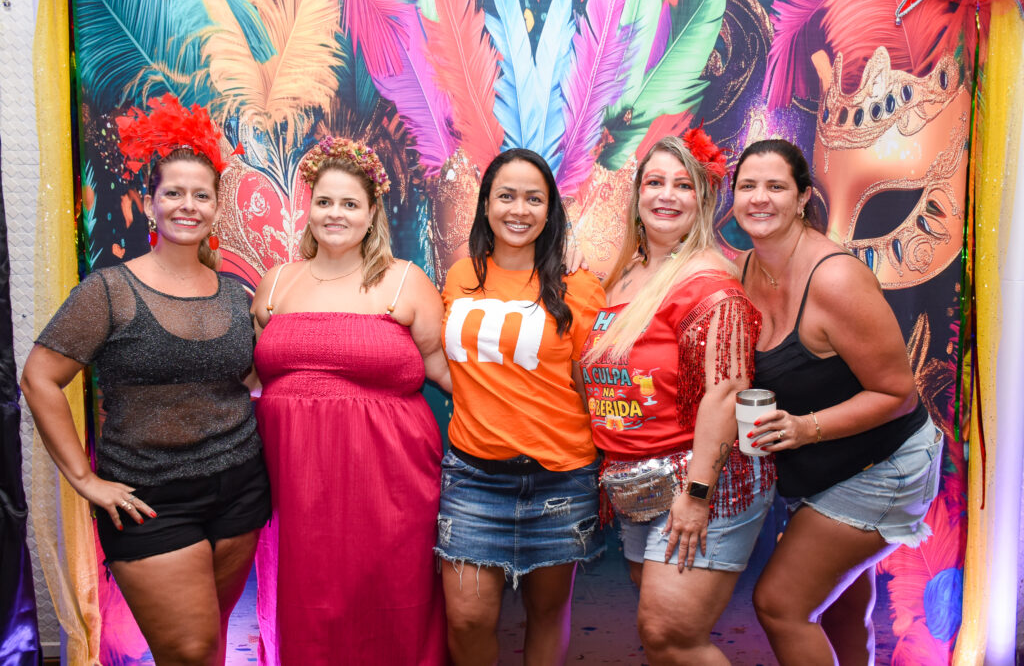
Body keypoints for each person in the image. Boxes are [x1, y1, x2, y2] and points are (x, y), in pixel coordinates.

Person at [20, 94, 269, 664]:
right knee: (189, 649)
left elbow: (253, 381)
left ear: (216, 207)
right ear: (151, 202)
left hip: (240, 490)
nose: (188, 206)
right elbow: (38, 379)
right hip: (149, 502)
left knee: (211, 642)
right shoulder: (109, 291)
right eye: (173, 193)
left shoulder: (236, 295)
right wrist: (85, 480)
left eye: (201, 195)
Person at [732, 139, 942, 665]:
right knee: (839, 607)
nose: (760, 198)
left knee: (781, 604)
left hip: (884, 466)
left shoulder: (835, 278)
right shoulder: (742, 269)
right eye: (747, 186)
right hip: (821, 468)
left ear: (803, 197)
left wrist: (804, 429)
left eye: (776, 186)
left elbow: (897, 394)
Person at [250, 136, 449, 664]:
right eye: (324, 201)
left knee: (390, 601)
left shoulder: (405, 281)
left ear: (371, 213)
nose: (334, 214)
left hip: (391, 484)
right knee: (307, 608)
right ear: (309, 208)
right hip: (294, 487)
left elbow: (444, 372)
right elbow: (246, 376)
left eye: (349, 203)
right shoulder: (276, 284)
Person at [580, 133, 776, 665]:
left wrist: (696, 495)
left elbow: (727, 395)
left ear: (703, 199)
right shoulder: (627, 275)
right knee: (661, 638)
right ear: (638, 194)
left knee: (669, 634)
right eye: (655, 182)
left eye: (683, 185)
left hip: (701, 481)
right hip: (638, 482)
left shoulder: (709, 281)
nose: (666, 195)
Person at [436, 148, 605, 665]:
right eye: (506, 196)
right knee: (467, 620)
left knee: (546, 614)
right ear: (486, 204)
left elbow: (589, 386)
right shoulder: (460, 276)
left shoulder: (579, 286)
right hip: (473, 478)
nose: (519, 209)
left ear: (550, 209)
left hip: (560, 479)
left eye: (534, 199)